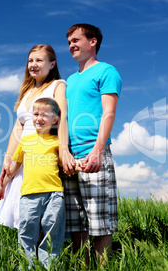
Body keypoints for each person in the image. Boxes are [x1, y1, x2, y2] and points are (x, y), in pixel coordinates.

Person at [0, 44, 75, 229]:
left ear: (52, 64)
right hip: (23, 154)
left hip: (43, 154)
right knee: (24, 214)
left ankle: (43, 257)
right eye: (30, 60)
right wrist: (8, 158)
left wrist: (63, 149)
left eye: (39, 60)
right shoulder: (27, 91)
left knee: (42, 214)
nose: (33, 65)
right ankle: (28, 257)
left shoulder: (57, 85)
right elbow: (18, 127)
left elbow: (62, 117)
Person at [63, 23, 122, 266]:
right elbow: (63, 119)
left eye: (76, 40)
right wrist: (63, 151)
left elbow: (109, 112)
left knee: (100, 222)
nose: (71, 46)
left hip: (94, 152)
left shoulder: (106, 71)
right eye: (69, 43)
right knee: (76, 224)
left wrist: (98, 150)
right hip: (70, 157)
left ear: (93, 41)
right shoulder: (68, 80)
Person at [0, 98, 77, 269]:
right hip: (28, 195)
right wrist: (2, 185)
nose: (39, 118)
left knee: (52, 233)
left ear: (54, 120)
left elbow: (66, 165)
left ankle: (50, 267)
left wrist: (78, 165)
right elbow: (14, 167)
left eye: (44, 115)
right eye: (36, 114)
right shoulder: (26, 141)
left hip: (53, 194)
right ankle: (28, 265)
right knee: (26, 232)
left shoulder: (57, 143)